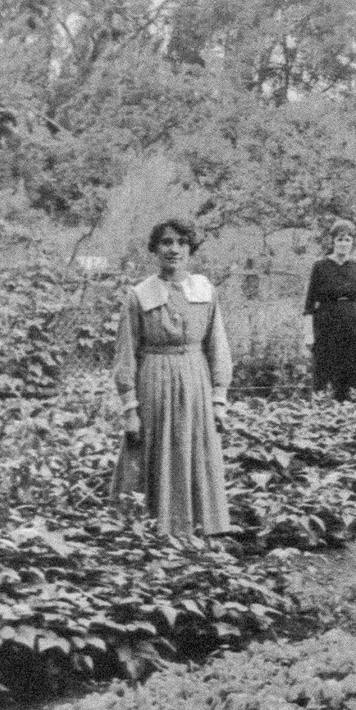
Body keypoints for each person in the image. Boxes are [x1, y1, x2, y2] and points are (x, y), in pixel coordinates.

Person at [112, 217, 235, 538]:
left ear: (190, 249)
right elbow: (126, 354)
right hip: (154, 382)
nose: (174, 250)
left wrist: (219, 398)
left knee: (195, 449)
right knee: (152, 449)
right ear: (155, 248)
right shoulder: (139, 295)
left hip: (196, 382)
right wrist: (130, 409)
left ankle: (199, 526)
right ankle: (152, 527)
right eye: (166, 242)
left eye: (181, 243)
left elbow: (217, 345)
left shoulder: (205, 291)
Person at [300, 219, 356, 401]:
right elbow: (309, 305)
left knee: (355, 375)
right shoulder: (320, 267)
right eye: (340, 239)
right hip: (326, 327)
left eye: (347, 240)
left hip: (353, 327)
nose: (343, 244)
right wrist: (308, 334)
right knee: (325, 374)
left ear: (353, 243)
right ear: (333, 241)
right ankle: (325, 412)